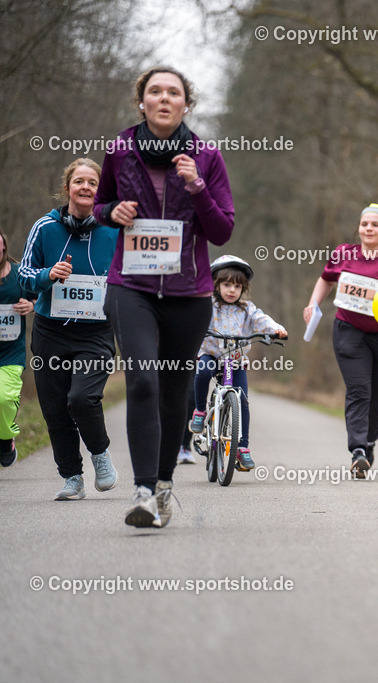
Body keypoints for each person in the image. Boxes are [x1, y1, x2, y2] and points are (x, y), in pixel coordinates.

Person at [94, 66, 233, 527]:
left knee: (174, 394)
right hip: (130, 287)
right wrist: (112, 211)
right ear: (142, 102)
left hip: (188, 294)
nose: (164, 98)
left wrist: (196, 187)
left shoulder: (207, 157)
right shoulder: (119, 150)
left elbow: (222, 229)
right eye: (155, 91)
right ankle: (142, 491)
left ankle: (165, 485)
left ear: (186, 105)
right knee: (143, 382)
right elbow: (100, 206)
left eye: (174, 92)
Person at [303, 204, 378, 478]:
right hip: (349, 330)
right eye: (364, 224)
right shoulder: (343, 254)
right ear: (359, 228)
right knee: (359, 390)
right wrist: (313, 303)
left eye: (375, 225)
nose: (368, 228)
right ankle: (357, 449)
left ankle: (369, 442)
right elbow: (326, 279)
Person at [19, 158, 118, 499]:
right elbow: (24, 278)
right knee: (56, 407)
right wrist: (48, 275)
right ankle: (72, 477)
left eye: (93, 183)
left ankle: (101, 455)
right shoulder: (45, 228)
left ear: (100, 191)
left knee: (82, 398)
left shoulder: (114, 230)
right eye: (80, 182)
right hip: (51, 330)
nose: (86, 187)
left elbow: (133, 276)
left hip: (96, 331)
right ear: (68, 188)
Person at [189, 255, 287, 472]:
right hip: (211, 355)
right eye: (226, 285)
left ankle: (242, 448)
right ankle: (199, 411)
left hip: (235, 360)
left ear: (243, 289)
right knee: (203, 372)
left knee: (242, 400)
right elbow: (193, 315)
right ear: (215, 285)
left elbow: (262, 320)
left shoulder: (246, 309)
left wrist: (276, 329)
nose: (232, 290)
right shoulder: (209, 304)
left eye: (237, 286)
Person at [0, 226, 36, 468]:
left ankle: (5, 439)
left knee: (3, 398)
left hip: (11, 352)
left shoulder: (19, 274)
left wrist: (30, 305)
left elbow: (41, 295)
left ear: (3, 247)